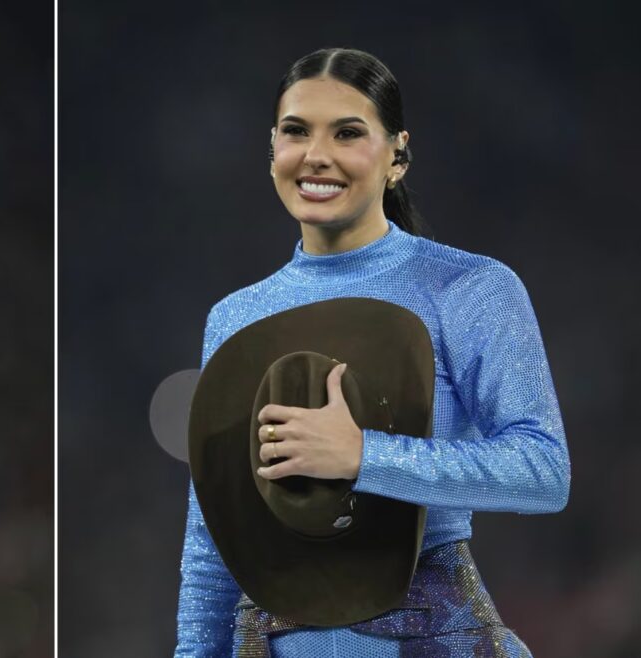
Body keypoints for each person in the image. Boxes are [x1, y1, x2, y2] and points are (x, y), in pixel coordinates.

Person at [174, 47, 570, 657]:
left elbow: (543, 472)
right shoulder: (233, 318)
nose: (317, 155)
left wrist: (363, 455)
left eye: (348, 132)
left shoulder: (468, 288)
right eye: (296, 131)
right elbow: (210, 545)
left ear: (397, 155)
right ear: (272, 148)